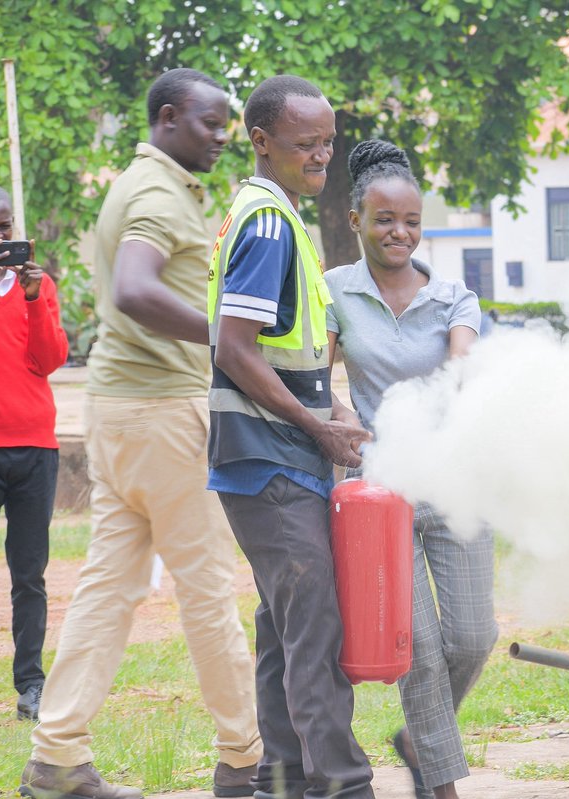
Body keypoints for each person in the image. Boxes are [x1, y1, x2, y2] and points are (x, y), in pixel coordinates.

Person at [21, 69, 261, 799]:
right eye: (210, 123)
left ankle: (57, 755)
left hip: (121, 412)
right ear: (166, 119)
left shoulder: (135, 182)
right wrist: (228, 338)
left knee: (107, 587)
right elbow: (133, 285)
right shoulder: (157, 194)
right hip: (164, 414)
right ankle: (247, 758)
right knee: (209, 587)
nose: (223, 137)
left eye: (227, 124)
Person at [206, 75, 374, 799]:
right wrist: (315, 426)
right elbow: (233, 348)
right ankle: (341, 785)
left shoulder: (273, 214)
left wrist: (327, 406)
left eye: (328, 141)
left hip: (275, 455)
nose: (322, 155)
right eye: (305, 143)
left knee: (283, 633)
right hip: (271, 459)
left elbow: (284, 353)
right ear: (261, 142)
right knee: (317, 633)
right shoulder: (271, 223)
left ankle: (278, 783)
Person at [325, 139, 499, 799]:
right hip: (380, 491)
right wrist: (344, 415)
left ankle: (419, 740)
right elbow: (321, 377)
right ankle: (440, 784)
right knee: (419, 648)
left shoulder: (454, 297)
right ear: (355, 221)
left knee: (474, 636)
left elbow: (461, 367)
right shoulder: (334, 291)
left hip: (454, 481)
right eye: (384, 220)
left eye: (411, 222)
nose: (399, 233)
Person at [0, 188, 69, 723]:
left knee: (29, 573)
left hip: (35, 448)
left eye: (5, 227)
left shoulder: (38, 289)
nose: (1, 238)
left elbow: (50, 360)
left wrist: (32, 297)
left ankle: (31, 685)